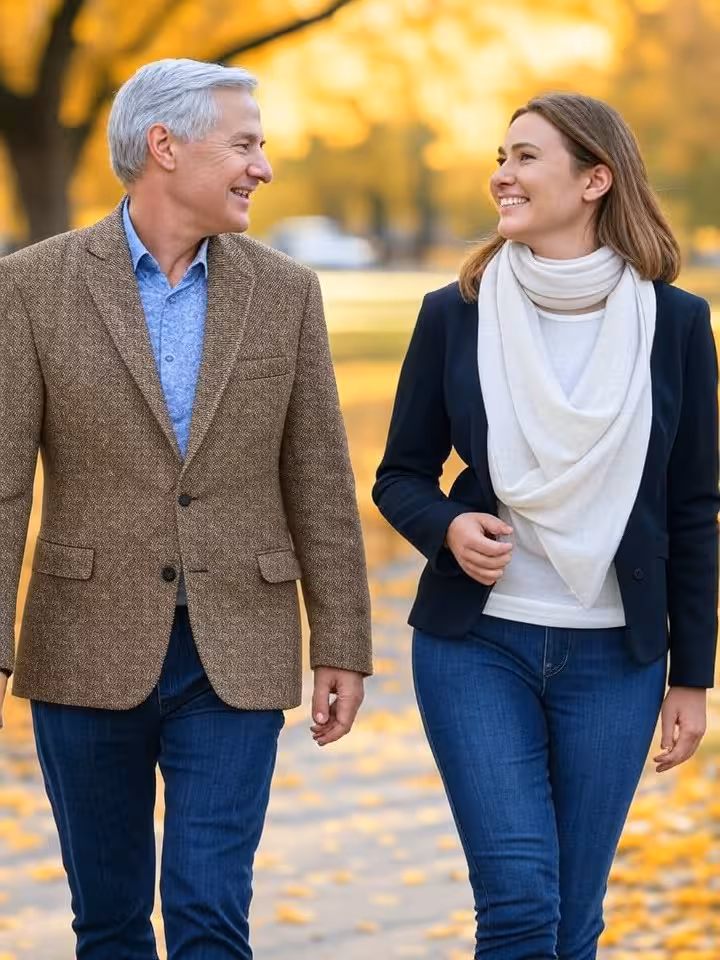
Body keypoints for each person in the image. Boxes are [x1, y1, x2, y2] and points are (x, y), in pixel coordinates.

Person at [0, 58, 372, 959]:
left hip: (237, 646)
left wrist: (342, 642)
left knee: (210, 910)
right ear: (164, 146)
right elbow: (5, 483)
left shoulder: (287, 293)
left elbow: (320, 479)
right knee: (109, 920)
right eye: (244, 145)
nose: (262, 168)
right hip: (83, 645)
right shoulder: (31, 286)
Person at [373, 92, 718, 960]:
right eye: (502, 157)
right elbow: (400, 475)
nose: (503, 174)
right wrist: (448, 527)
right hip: (476, 648)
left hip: (616, 660)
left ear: (596, 180)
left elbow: (693, 509)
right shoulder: (455, 312)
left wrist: (693, 675)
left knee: (572, 920)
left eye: (526, 157)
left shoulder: (675, 323)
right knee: (521, 906)